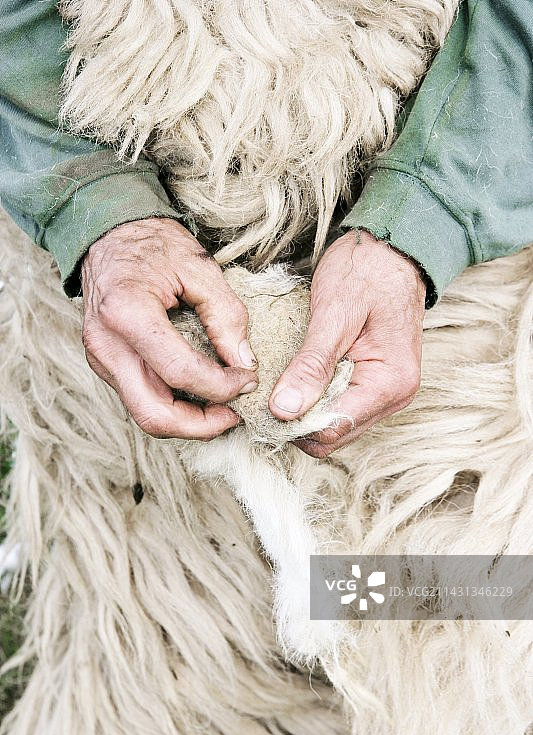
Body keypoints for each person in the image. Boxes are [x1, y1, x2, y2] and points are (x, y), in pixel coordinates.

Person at [0, 0, 532, 457]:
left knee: (437, 557)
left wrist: (429, 212)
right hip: (117, 248)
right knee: (134, 542)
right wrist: (93, 203)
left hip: (467, 208)